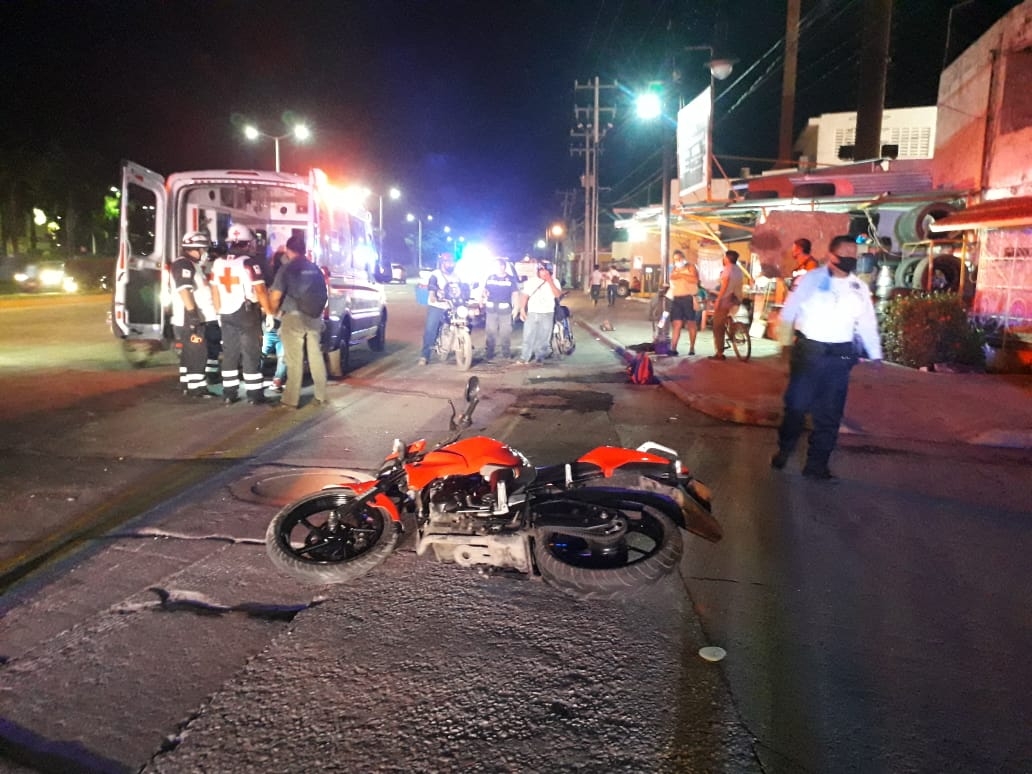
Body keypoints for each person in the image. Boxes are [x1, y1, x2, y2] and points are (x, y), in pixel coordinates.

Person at [771, 234, 883, 479]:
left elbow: (866, 323)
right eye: (846, 253)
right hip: (810, 353)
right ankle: (785, 448)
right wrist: (784, 345)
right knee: (797, 408)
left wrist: (875, 355)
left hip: (840, 356)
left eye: (854, 253)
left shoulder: (859, 287)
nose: (851, 258)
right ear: (832, 255)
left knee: (830, 414)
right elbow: (789, 312)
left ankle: (817, 465)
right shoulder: (810, 280)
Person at [210, 224, 273, 405]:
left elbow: (214, 289)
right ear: (248, 244)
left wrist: (217, 311)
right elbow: (260, 290)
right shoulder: (249, 263)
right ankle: (254, 394)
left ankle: (229, 393)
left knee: (230, 353)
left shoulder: (218, 263)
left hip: (226, 313)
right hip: (246, 313)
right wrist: (268, 313)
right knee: (250, 352)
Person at [268, 235, 328, 409]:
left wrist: (273, 312)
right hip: (314, 317)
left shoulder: (287, 269)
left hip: (293, 317)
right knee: (316, 356)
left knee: (294, 360)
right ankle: (321, 395)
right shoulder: (315, 268)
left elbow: (276, 295)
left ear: (288, 250)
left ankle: (291, 399)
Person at [170, 231, 217, 398]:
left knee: (189, 353)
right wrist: (193, 315)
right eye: (203, 249)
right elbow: (184, 291)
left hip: (190, 318)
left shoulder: (191, 264)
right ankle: (196, 388)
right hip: (189, 318)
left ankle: (186, 384)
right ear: (194, 248)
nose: (204, 252)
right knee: (198, 352)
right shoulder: (184, 265)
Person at [420, 253, 465, 365]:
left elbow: (462, 290)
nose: (450, 264)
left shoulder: (456, 276)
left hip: (452, 306)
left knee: (465, 322)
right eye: (448, 262)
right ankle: (424, 356)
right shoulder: (435, 275)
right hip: (438, 306)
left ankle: (464, 346)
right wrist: (433, 295)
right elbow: (432, 287)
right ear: (442, 263)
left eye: (452, 262)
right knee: (431, 329)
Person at [518, 261, 561, 364]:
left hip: (547, 312)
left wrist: (550, 281)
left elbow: (557, 295)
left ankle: (539, 357)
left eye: (546, 270)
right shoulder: (531, 282)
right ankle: (524, 357)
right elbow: (525, 295)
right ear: (538, 271)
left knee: (544, 337)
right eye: (541, 270)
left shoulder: (555, 281)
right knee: (528, 335)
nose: (544, 272)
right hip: (532, 312)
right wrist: (522, 309)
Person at [709, 250, 746, 361]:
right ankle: (733, 330)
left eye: (724, 257)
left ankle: (719, 353)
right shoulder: (739, 270)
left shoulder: (727, 269)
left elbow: (724, 288)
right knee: (727, 318)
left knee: (717, 326)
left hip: (727, 299)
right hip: (737, 299)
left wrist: (718, 301)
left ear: (727, 258)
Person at [481, 256, 520, 361]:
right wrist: (483, 296)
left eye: (498, 265)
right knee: (490, 333)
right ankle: (489, 353)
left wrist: (516, 307)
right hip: (491, 310)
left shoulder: (510, 279)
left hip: (505, 311)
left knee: (505, 333)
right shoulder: (490, 277)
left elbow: (515, 294)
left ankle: (506, 353)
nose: (496, 268)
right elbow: (485, 290)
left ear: (503, 266)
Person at [262, 247, 288, 391]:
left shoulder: (269, 277)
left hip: (270, 319)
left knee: (264, 349)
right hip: (280, 319)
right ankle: (277, 380)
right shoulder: (285, 277)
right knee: (282, 353)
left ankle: (253, 375)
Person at [667, 250, 701, 356]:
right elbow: (672, 277)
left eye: (679, 258)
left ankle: (692, 348)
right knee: (677, 324)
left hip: (688, 298)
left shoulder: (691, 267)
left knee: (691, 323)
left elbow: (695, 280)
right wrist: (684, 275)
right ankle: (673, 348)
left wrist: (681, 275)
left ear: (683, 258)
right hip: (677, 298)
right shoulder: (674, 269)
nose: (677, 261)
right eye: (675, 259)